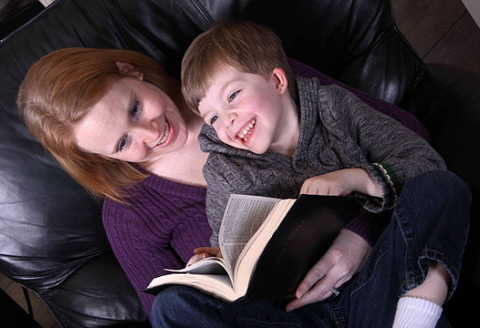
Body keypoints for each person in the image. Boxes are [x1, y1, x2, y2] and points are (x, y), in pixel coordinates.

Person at [150, 20, 471, 328]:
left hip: (377, 283)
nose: (228, 121)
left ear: (277, 81)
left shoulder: (333, 107)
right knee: (172, 306)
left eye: (233, 96)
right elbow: (231, 257)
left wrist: (357, 178)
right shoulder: (224, 171)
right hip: (299, 313)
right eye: (213, 118)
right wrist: (213, 265)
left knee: (441, 187)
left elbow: (422, 159)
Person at [16, 48, 213, 318]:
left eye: (135, 109)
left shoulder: (230, 78)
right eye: (122, 143)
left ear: (129, 70)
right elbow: (172, 315)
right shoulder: (129, 216)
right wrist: (200, 285)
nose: (152, 133)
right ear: (102, 157)